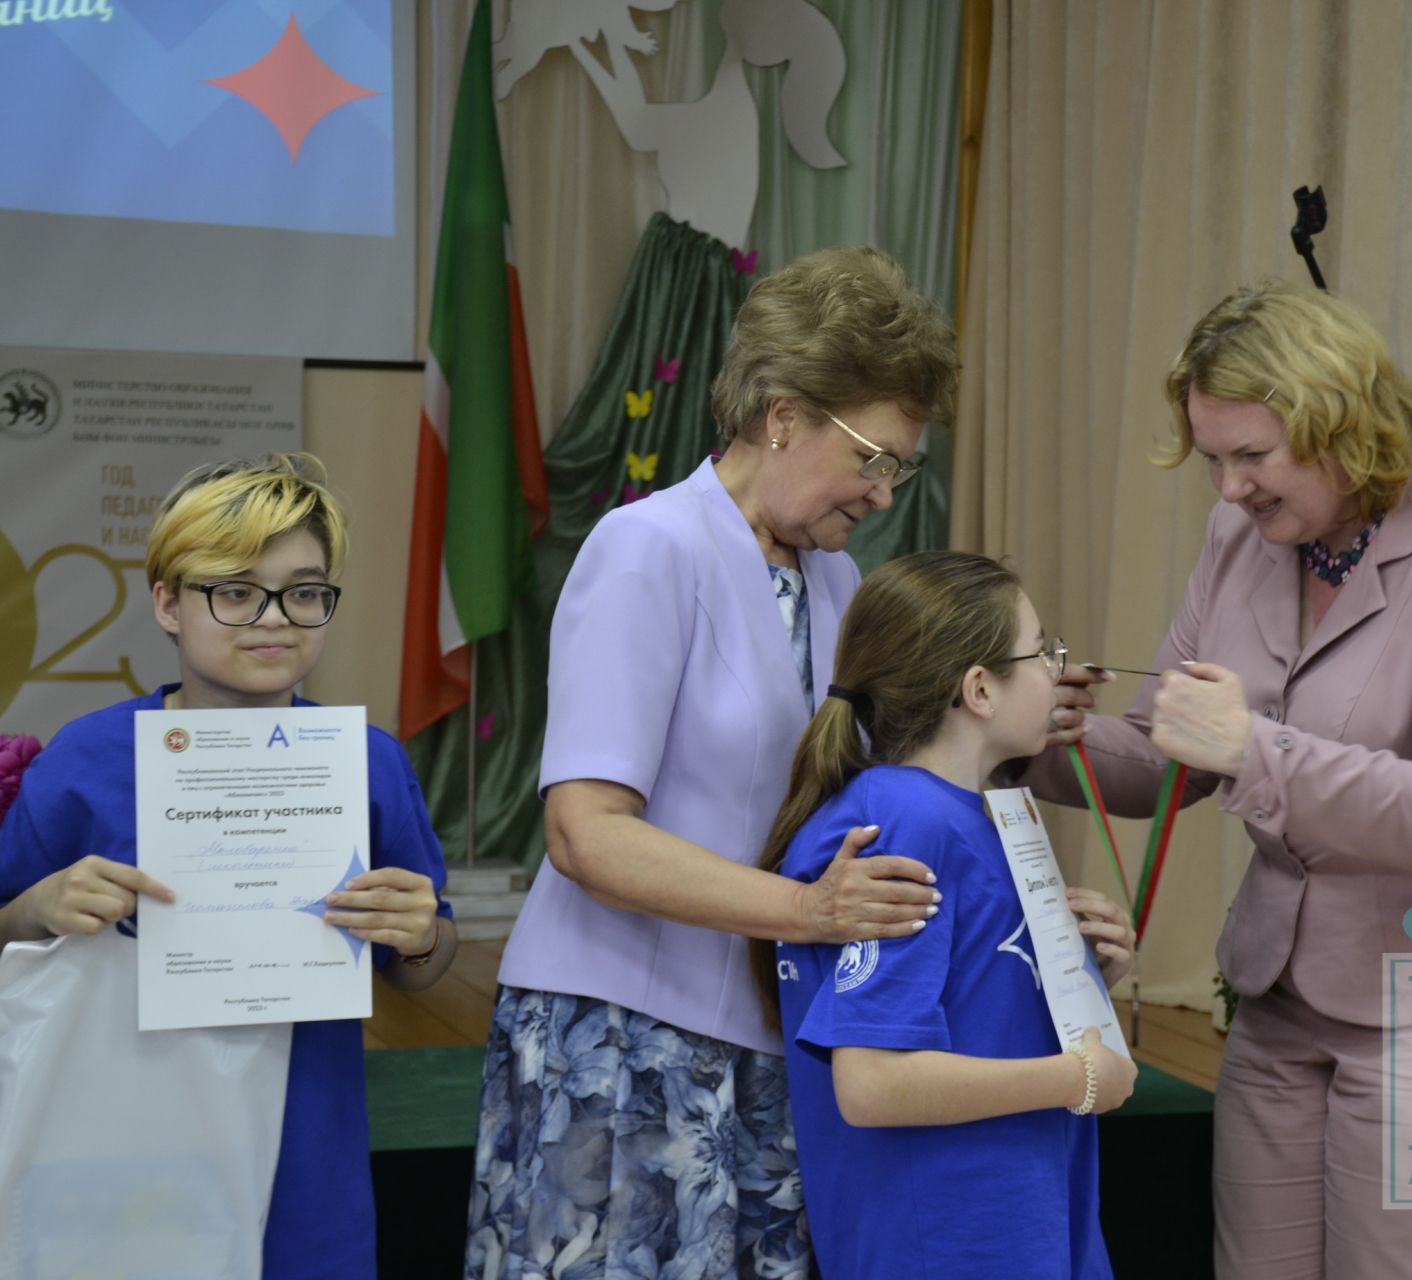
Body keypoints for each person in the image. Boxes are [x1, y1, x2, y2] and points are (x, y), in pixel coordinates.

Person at [1025, 280, 1412, 1278]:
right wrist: (1022, 733)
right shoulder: (1243, 538)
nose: (1226, 489)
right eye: (1212, 458)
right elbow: (1167, 757)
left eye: (1250, 456)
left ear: (1342, 420)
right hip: (1287, 998)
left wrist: (1253, 749)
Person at [467, 247, 975, 1280]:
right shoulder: (649, 547)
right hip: (618, 1037)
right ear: (783, 413)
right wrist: (808, 914)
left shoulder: (834, 583)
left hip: (765, 1030)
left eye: (900, 467)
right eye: (874, 457)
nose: (884, 492)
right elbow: (583, 830)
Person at [0, 453, 456, 1280]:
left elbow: (420, 967)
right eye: (235, 590)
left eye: (305, 591)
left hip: (304, 1143)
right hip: (114, 1137)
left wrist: (422, 938)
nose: (274, 618)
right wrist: (34, 906)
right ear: (169, 604)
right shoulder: (86, 758)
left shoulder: (367, 762)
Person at [752, 550, 1138, 1280]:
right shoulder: (905, 818)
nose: (1058, 670)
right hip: (952, 1234)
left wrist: (1083, 972)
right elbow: (873, 1083)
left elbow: (961, 1003)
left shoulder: (977, 811)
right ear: (980, 690)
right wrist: (1075, 1078)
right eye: (1042, 651)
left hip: (1023, 1212)